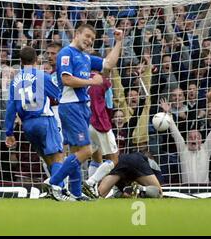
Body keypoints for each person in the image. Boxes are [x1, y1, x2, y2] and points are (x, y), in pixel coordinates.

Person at [44, 24, 123, 201]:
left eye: (92, 39)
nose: (89, 41)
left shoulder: (85, 57)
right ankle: (54, 183)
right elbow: (66, 79)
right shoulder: (66, 53)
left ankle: (76, 193)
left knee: (76, 152)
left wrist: (118, 42)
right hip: (71, 106)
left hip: (81, 108)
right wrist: (92, 82)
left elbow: (108, 63)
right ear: (77, 34)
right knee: (86, 151)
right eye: (87, 36)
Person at [5, 46, 64, 189]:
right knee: (58, 156)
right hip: (44, 119)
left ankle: (56, 188)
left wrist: (9, 132)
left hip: (27, 126)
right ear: (36, 59)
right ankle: (60, 190)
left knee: (48, 159)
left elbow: (11, 107)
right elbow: (58, 95)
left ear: (20, 61)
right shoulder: (42, 76)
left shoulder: (15, 80)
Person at [83, 69, 119, 199]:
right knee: (113, 159)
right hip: (101, 124)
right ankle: (90, 183)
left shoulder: (83, 81)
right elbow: (109, 106)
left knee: (95, 156)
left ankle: (91, 187)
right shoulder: (104, 83)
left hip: (87, 123)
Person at [160, 98, 211, 184]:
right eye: (191, 137)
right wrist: (168, 113)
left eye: (196, 137)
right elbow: (174, 131)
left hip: (204, 191)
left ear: (201, 140)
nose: (193, 139)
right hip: (187, 191)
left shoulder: (206, 149)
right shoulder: (183, 149)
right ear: (187, 140)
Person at [97, 151, 163, 198]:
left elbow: (117, 194)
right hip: (137, 160)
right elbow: (157, 191)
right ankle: (139, 189)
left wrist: (126, 194)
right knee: (159, 193)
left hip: (120, 160)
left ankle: (138, 189)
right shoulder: (154, 169)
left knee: (98, 196)